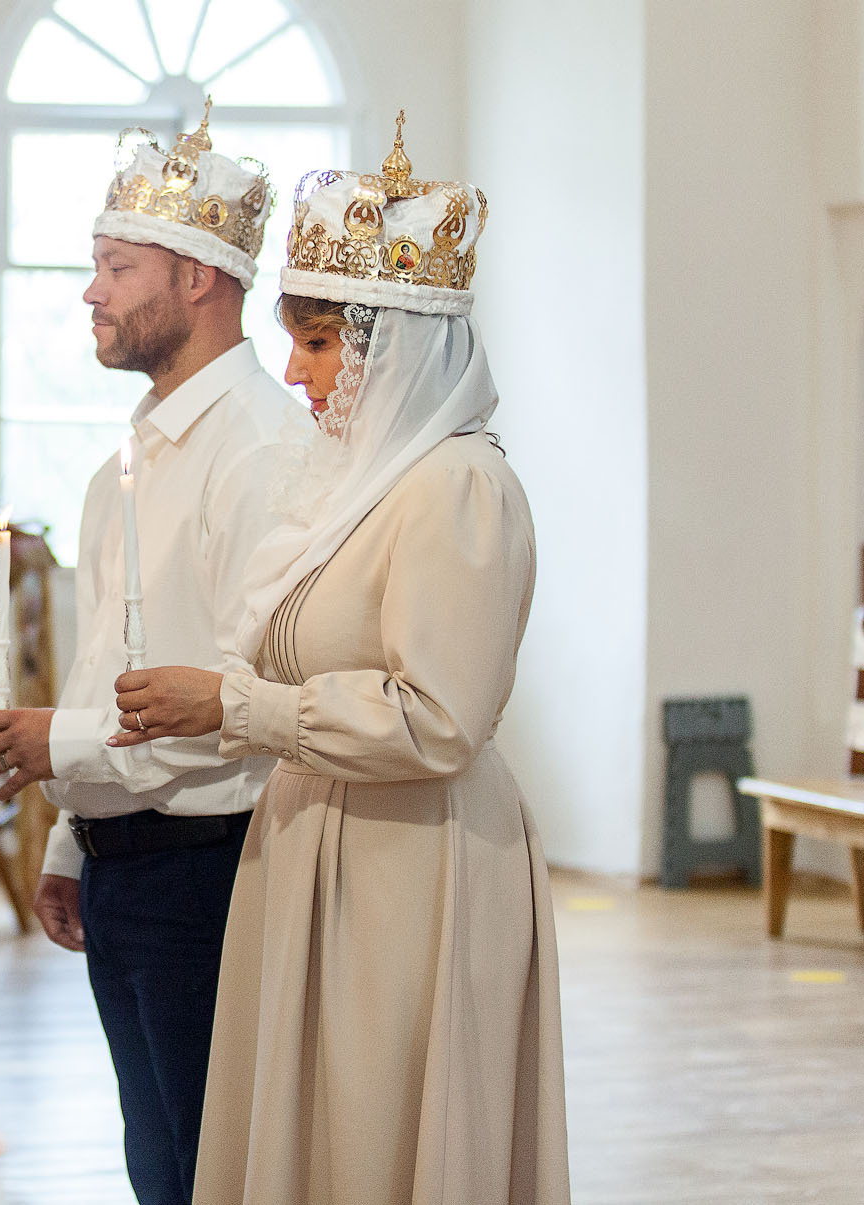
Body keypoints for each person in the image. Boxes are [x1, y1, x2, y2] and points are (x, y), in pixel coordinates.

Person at [112, 116, 572, 1203]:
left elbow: (436, 718)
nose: (296, 371)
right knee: (309, 1136)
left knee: (379, 1136)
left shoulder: (458, 486)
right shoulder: (350, 489)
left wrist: (238, 708)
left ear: (394, 346)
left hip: (411, 865)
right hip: (318, 840)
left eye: (320, 344)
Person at [0, 104, 315, 1205]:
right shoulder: (130, 457)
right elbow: (108, 665)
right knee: (156, 1162)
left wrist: (58, 747)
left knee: (214, 1166)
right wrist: (73, 840)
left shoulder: (261, 450)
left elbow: (242, 698)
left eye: (117, 268)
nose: (91, 293)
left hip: (209, 867)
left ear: (198, 279)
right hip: (128, 861)